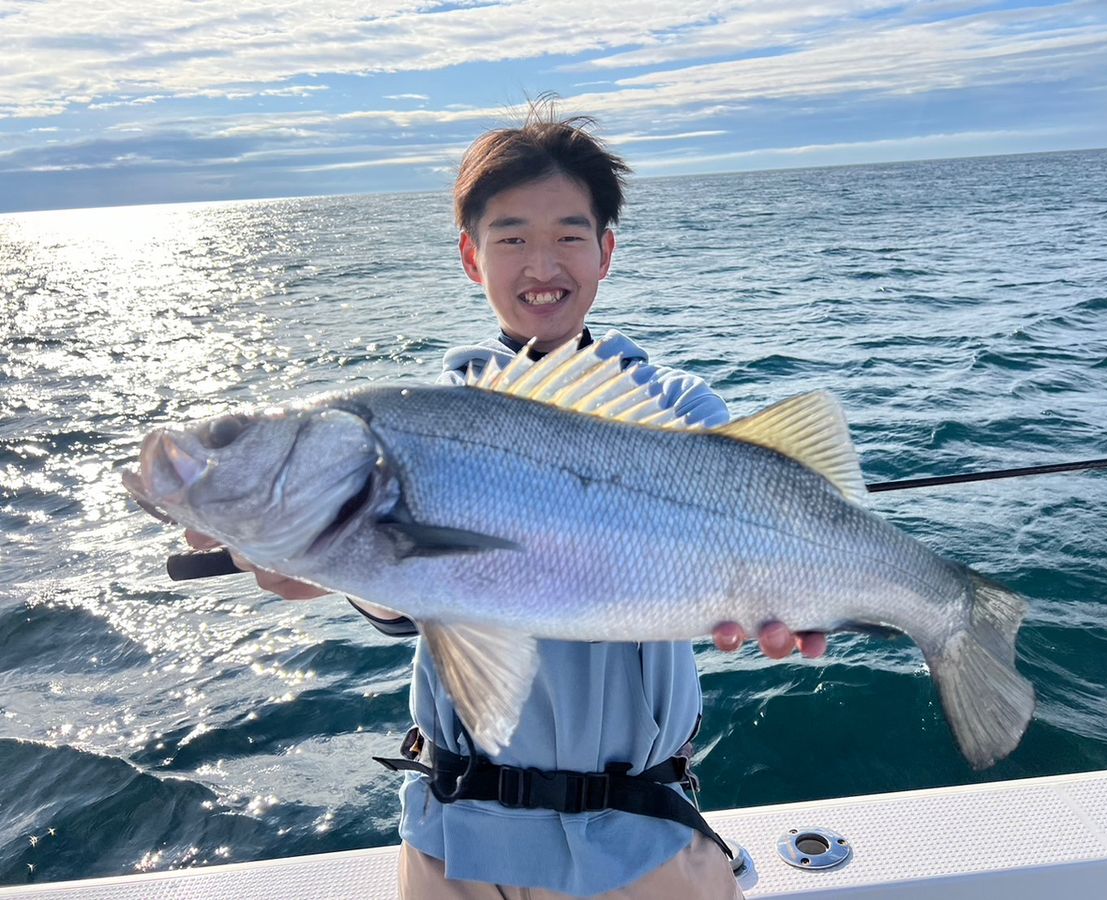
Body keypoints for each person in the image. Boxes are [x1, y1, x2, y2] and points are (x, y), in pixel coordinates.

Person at [187, 103, 824, 898]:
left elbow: (745, 544)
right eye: (512, 236)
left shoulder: (679, 406)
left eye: (568, 234)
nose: (542, 262)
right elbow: (407, 596)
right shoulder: (433, 415)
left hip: (640, 841)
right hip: (455, 841)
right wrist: (317, 559)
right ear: (470, 255)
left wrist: (792, 599)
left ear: (607, 250)